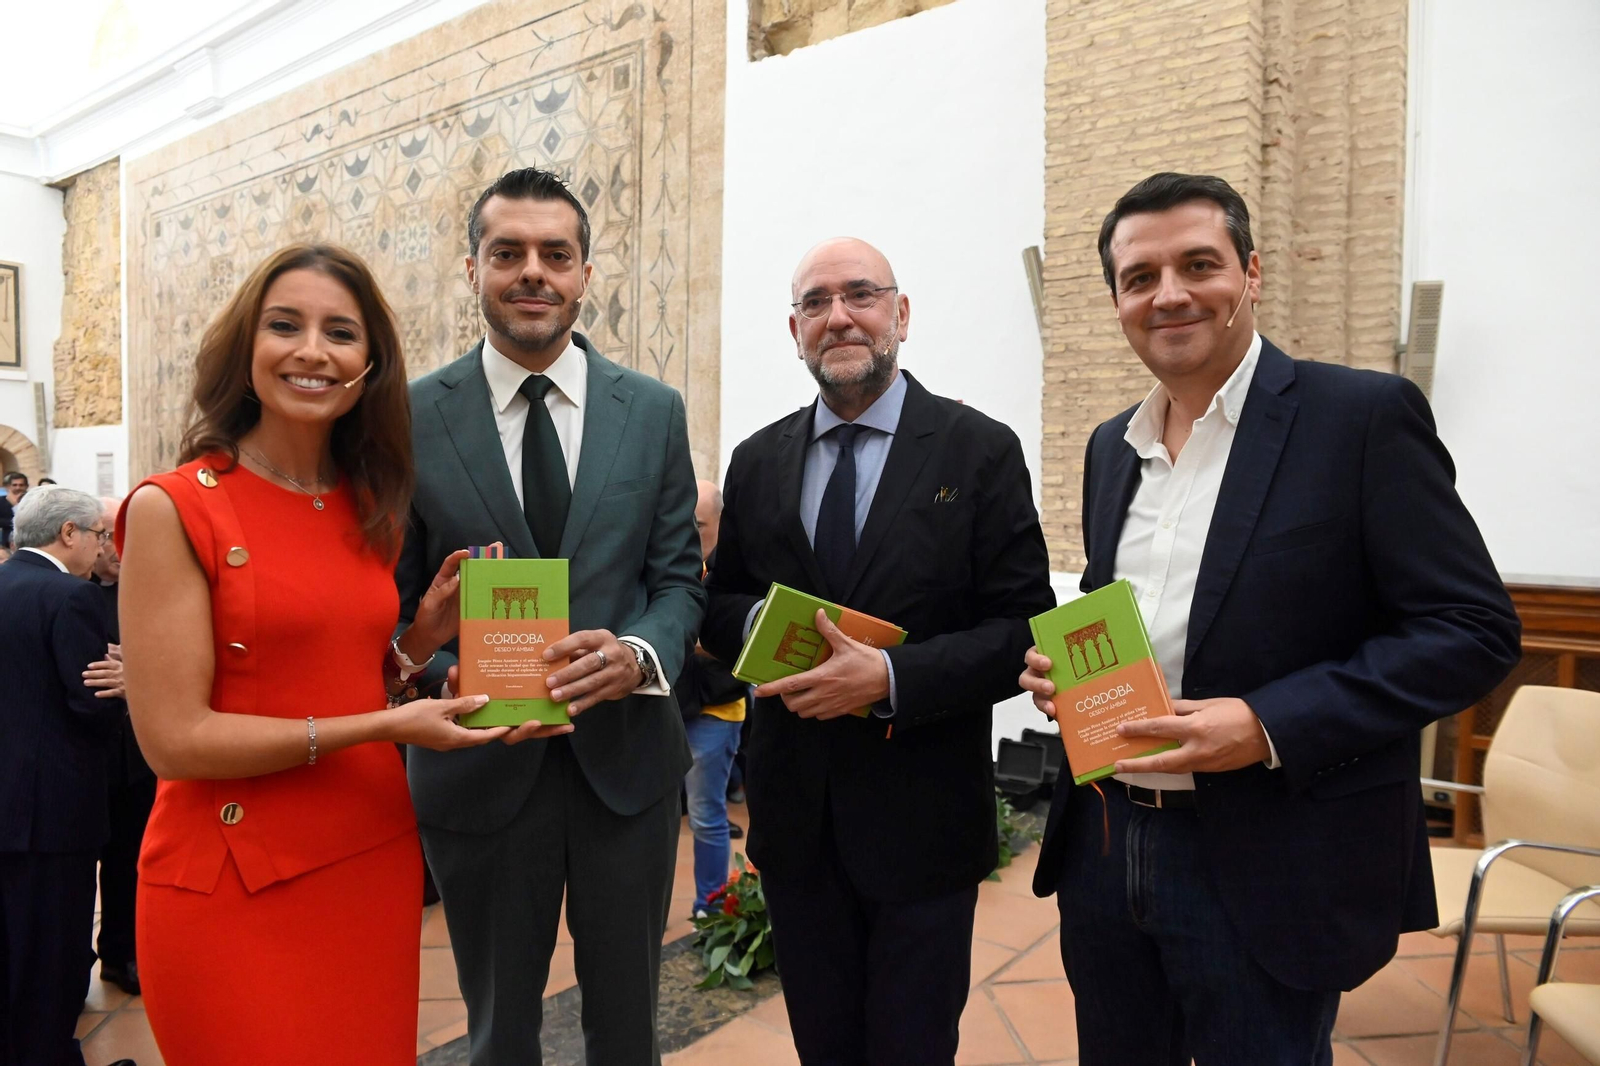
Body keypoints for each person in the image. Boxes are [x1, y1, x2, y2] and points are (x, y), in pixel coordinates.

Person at [1019, 173, 1521, 1065]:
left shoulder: (1359, 419)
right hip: (1104, 840)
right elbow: (1126, 610)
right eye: (1140, 278)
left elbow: (1472, 629)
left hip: (1267, 855)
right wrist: (1069, 677)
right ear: (1117, 303)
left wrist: (1266, 724)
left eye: (1198, 264)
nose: (1168, 293)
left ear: (1250, 274)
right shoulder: (1110, 447)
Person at [116, 244, 506, 1065]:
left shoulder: (366, 506)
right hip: (231, 878)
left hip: (368, 858)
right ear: (244, 349)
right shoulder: (175, 507)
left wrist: (419, 640)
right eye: (284, 325)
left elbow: (331, 675)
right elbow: (175, 739)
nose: (313, 351)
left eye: (341, 333)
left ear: (370, 365)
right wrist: (387, 729)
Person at [701, 238, 1055, 1065]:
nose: (839, 317)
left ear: (901, 314)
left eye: (860, 294)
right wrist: (760, 630)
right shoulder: (758, 461)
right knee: (824, 1045)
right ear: (796, 330)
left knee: (912, 1048)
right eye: (816, 304)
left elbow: (1022, 630)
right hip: (796, 825)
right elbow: (717, 603)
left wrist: (891, 676)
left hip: (923, 821)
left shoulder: (978, 450)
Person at [392, 167, 704, 1065]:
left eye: (555, 254)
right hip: (479, 773)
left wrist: (640, 655)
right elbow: (394, 608)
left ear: (584, 274)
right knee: (496, 1034)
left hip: (626, 775)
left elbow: (680, 582)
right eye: (508, 253)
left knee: (627, 1032)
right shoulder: (410, 419)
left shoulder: (650, 412)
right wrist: (449, 672)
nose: (533, 272)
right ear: (472, 268)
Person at [0, 486, 134, 1066]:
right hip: (56, 809)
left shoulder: (4, 584)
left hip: (9, 803)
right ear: (70, 534)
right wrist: (136, 685)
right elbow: (93, 702)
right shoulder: (69, 597)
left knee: (12, 945)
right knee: (54, 948)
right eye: (100, 535)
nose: (103, 547)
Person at [82, 495, 154, 998]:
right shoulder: (69, 593)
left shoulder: (148, 589)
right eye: (104, 536)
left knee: (131, 858)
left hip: (139, 751)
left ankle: (122, 953)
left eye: (118, 535)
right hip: (88, 753)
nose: (114, 548)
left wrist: (139, 669)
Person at [677, 480, 749, 916]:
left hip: (717, 710)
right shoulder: (672, 562)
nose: (690, 533)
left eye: (699, 525)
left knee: (706, 813)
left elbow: (745, 636)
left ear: (721, 521)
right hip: (667, 706)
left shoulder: (739, 567)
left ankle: (711, 905)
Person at [0, 470, 27, 553]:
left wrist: (16, 505)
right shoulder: (1, 501)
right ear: (9, 486)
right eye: (14, 485)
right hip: (7, 544)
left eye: (21, 485)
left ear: (26, 486)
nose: (18, 488)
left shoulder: (31, 500)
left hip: (27, 542)